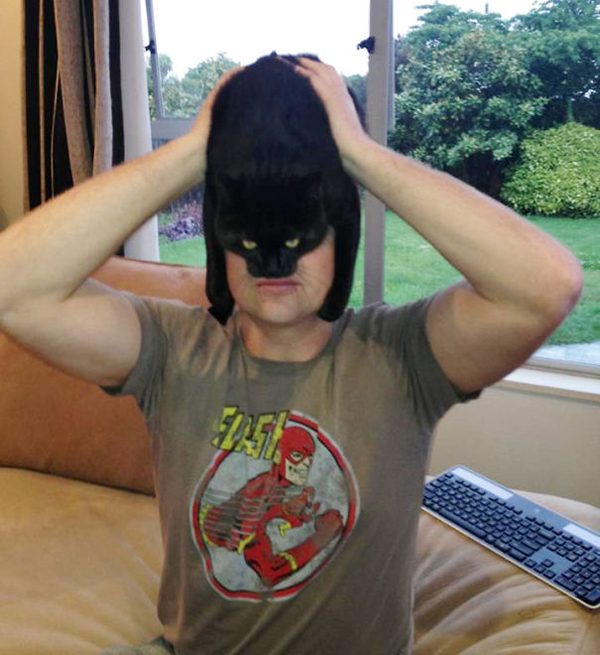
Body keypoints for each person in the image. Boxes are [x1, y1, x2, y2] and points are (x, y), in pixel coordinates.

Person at [0, 56, 582, 655]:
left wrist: (356, 155)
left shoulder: (403, 358)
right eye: (251, 231)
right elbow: (11, 287)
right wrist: (198, 153)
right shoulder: (171, 350)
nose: (273, 263)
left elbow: (547, 285)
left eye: (303, 230)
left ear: (340, 232)